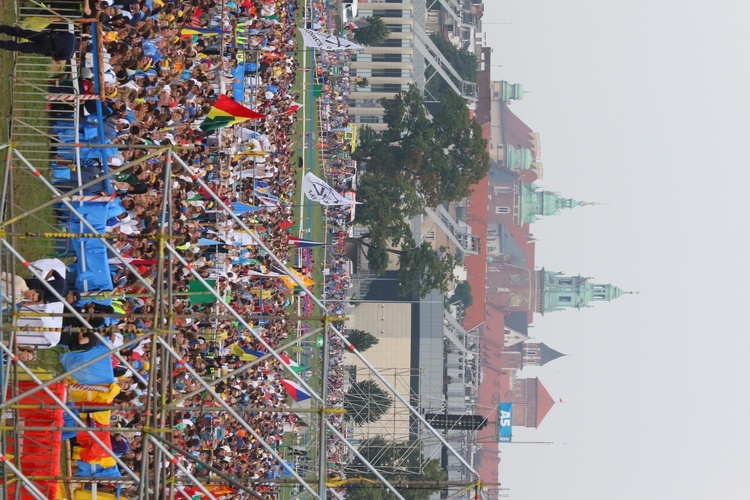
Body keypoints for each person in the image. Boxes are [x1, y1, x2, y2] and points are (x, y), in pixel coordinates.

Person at [0, 24, 77, 60]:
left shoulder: (72, 37)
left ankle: (3, 29)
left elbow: (60, 31)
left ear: (84, 43)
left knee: (23, 33)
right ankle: (2, 44)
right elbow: (56, 58)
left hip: (47, 37)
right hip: (46, 48)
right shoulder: (69, 54)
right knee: (21, 47)